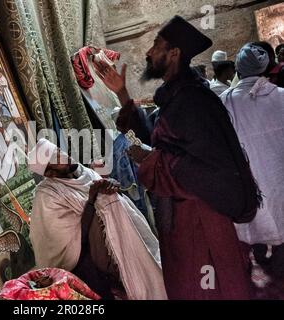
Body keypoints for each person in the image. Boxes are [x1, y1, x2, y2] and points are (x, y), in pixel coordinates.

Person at [94, 15, 261, 300]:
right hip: (183, 221)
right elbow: (157, 139)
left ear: (174, 53)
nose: (148, 52)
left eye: (156, 45)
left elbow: (209, 170)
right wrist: (122, 95)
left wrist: (149, 160)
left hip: (201, 223)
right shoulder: (178, 97)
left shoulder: (194, 102)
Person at [27, 139, 167, 300]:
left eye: (60, 151)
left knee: (109, 199)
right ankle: (138, 283)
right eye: (57, 159)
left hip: (116, 236)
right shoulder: (47, 195)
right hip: (84, 254)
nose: (65, 157)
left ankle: (149, 274)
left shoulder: (83, 173)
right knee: (106, 201)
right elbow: (74, 238)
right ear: (50, 173)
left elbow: (107, 192)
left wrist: (111, 185)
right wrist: (93, 199)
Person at [220, 43, 284, 279]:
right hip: (279, 174)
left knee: (261, 222)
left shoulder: (225, 101)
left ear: (238, 68)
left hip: (251, 181)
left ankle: (265, 263)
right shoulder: (281, 96)